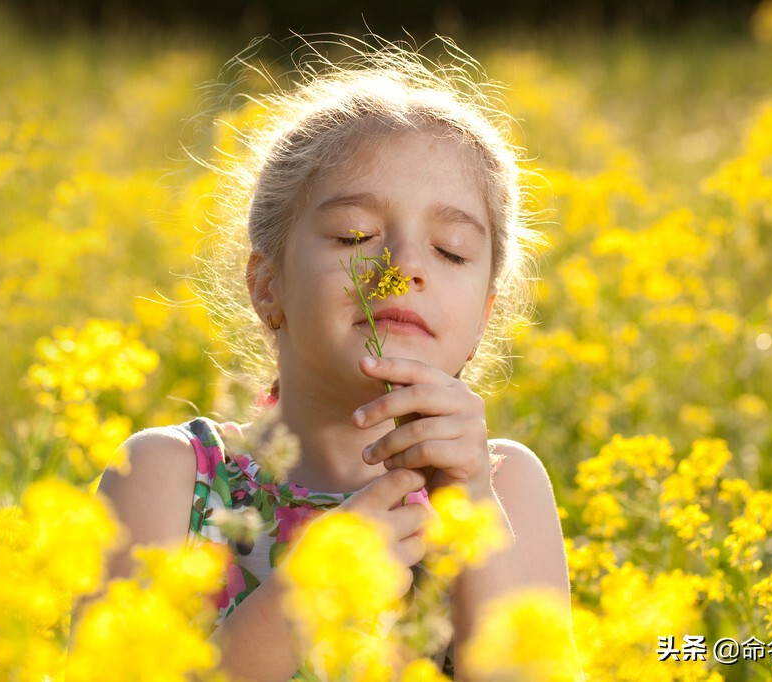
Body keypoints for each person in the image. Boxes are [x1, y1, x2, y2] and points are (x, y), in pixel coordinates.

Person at [84, 36, 578, 680]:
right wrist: (311, 591)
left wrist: (472, 507)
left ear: (484, 319)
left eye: (451, 250)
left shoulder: (505, 486)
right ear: (269, 286)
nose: (403, 269)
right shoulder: (167, 478)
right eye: (354, 236)